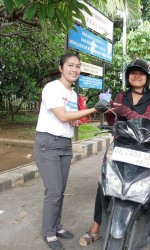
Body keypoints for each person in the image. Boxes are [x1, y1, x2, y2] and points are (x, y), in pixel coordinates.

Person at [79, 59, 150, 250]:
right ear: (128, 77)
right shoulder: (121, 95)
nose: (137, 76)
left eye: (141, 73)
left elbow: (149, 120)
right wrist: (110, 110)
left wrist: (125, 111)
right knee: (105, 182)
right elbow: (114, 121)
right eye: (133, 73)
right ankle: (96, 227)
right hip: (122, 146)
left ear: (147, 78)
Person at [33, 53, 98, 250]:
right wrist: (94, 109)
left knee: (59, 191)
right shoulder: (52, 88)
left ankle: (56, 225)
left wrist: (75, 120)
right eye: (70, 65)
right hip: (47, 143)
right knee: (53, 191)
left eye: (78, 66)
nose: (74, 70)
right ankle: (49, 233)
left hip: (64, 144)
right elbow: (61, 116)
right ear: (61, 68)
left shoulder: (72, 94)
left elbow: (68, 117)